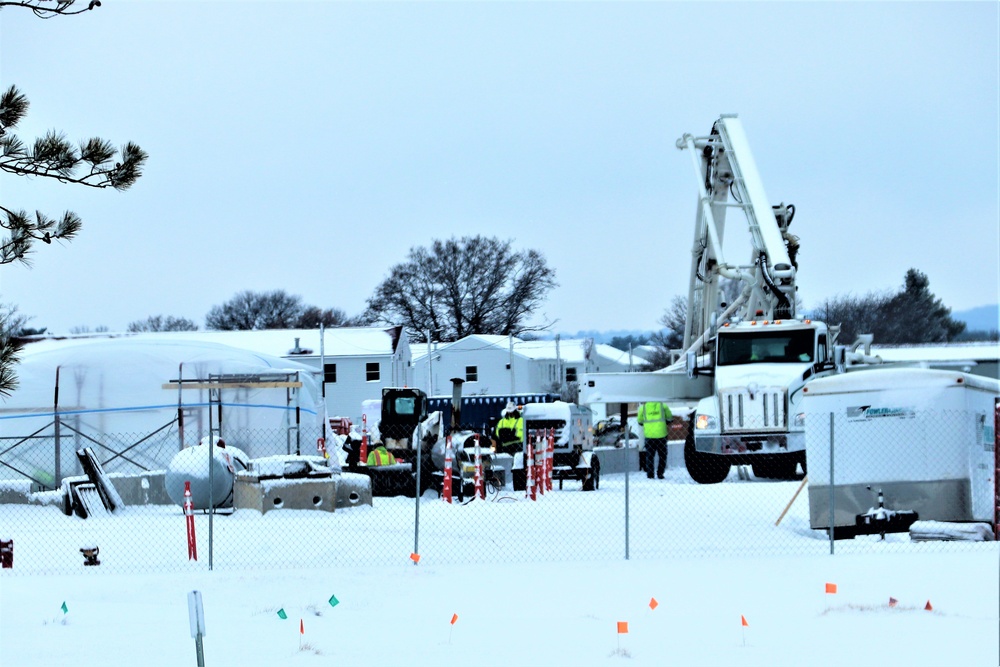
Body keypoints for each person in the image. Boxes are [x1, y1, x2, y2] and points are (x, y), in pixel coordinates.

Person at [637, 401, 672, 479]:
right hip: (661, 435)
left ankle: (650, 474)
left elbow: (639, 420)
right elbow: (669, 417)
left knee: (649, 456)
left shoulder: (643, 407)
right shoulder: (663, 406)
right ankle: (660, 473)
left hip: (649, 436)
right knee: (662, 455)